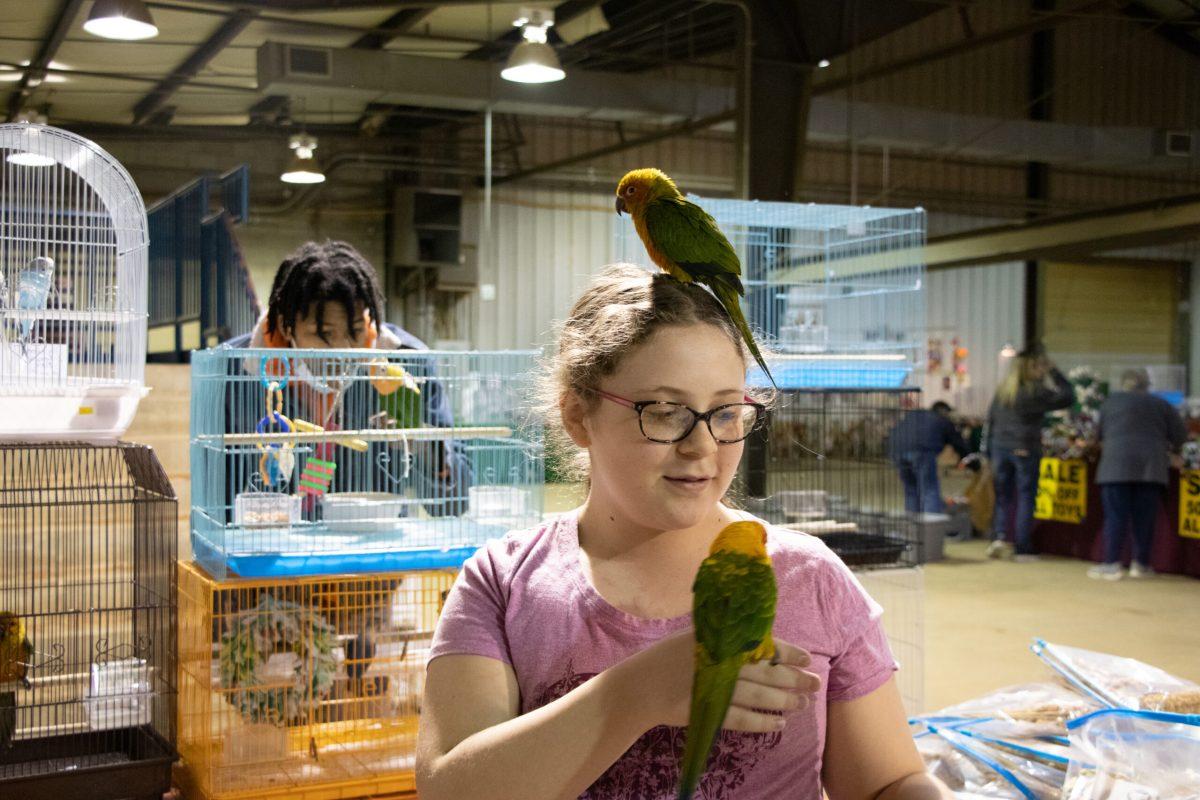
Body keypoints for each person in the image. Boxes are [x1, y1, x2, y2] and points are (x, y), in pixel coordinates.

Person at [416, 264, 949, 799]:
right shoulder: (504, 584)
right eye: (667, 412)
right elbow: (447, 790)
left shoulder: (810, 579)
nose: (703, 447)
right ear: (579, 415)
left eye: (726, 412)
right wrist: (633, 694)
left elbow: (889, 783)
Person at [224, 239, 470, 513]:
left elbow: (456, 504)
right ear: (287, 325)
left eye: (355, 331)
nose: (342, 351)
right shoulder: (235, 368)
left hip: (374, 544)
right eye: (324, 334)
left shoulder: (407, 361)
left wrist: (428, 451)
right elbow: (216, 500)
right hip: (280, 546)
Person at [1087, 368, 1187, 581]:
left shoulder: (1109, 404)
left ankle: (1111, 564)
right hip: (1151, 468)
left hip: (1115, 467)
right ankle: (1141, 564)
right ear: (1146, 385)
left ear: (1122, 384)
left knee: (1115, 517)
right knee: (1145, 519)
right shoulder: (1162, 404)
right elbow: (1180, 435)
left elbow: (1096, 435)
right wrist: (1175, 452)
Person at [984, 345, 1075, 561]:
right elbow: (1068, 396)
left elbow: (991, 420)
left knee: (1003, 496)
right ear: (1033, 368)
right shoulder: (1035, 391)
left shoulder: (1003, 391)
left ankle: (1000, 536)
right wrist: (1054, 371)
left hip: (1000, 447)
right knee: (1026, 496)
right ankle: (1023, 546)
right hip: (1024, 447)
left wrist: (988, 452)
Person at [888, 401, 970, 514]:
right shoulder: (942, 421)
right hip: (922, 451)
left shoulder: (915, 415)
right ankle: (931, 525)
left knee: (911, 489)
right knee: (929, 489)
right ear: (944, 412)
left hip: (896, 450)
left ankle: (912, 524)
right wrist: (971, 462)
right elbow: (958, 444)